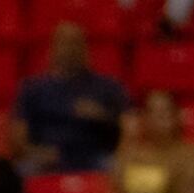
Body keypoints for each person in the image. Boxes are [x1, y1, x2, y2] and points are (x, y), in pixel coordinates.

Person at [13, 23, 128, 174]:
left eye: (76, 43)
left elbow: (128, 129)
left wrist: (102, 116)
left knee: (119, 170)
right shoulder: (33, 89)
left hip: (94, 156)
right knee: (20, 172)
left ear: (85, 48)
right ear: (53, 47)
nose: (70, 49)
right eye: (64, 43)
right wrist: (37, 152)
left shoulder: (107, 87)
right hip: (47, 157)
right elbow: (18, 138)